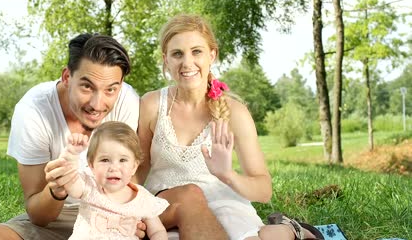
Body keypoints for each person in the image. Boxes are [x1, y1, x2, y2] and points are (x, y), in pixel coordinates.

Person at [136, 14, 323, 240]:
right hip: (167, 204)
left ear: (212, 55)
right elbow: (136, 172)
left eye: (197, 51)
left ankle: (286, 230)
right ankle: (283, 232)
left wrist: (227, 175)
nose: (187, 63)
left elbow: (263, 190)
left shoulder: (234, 112)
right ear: (166, 59)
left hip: (222, 201)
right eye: (177, 54)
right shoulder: (152, 105)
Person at [0, 33, 142, 240]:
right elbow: (38, 216)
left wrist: (128, 218)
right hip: (56, 220)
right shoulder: (33, 111)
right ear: (67, 77)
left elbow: (131, 182)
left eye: (111, 89)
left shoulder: (127, 101)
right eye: (87, 86)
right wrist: (57, 190)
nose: (97, 104)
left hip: (109, 214)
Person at [60, 121, 168, 240]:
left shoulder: (143, 198)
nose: (114, 168)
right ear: (91, 165)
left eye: (122, 160)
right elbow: (70, 182)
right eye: (105, 160)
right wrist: (72, 154)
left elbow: (157, 231)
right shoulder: (89, 186)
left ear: (134, 167)